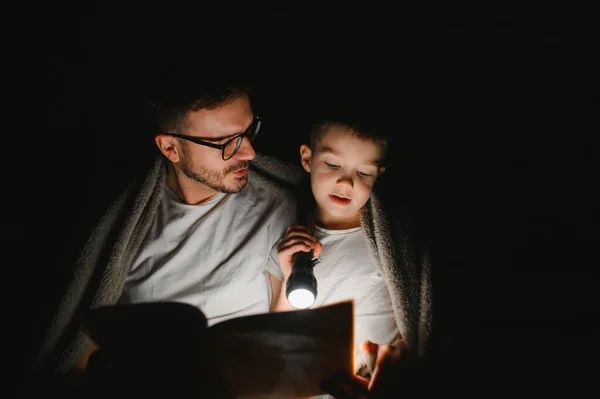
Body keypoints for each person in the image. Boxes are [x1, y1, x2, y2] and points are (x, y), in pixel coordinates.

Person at [25, 76, 308, 386]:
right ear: (171, 147)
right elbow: (80, 352)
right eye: (226, 143)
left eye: (249, 131)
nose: (249, 153)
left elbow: (287, 333)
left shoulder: (277, 205)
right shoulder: (127, 228)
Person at [272, 110, 433, 397]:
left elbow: (417, 315)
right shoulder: (291, 235)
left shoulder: (391, 242)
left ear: (378, 175)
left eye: (363, 173)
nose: (346, 183)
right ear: (307, 159)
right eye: (333, 164)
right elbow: (274, 333)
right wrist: (288, 277)